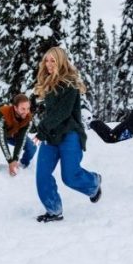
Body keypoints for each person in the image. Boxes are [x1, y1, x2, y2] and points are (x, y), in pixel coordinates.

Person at [32, 47, 101, 223]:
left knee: (70, 176)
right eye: (46, 60)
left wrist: (41, 130)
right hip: (51, 136)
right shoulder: (48, 82)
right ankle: (54, 210)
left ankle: (93, 183)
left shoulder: (70, 84)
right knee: (42, 176)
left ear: (61, 62)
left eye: (53, 61)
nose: (48, 64)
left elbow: (62, 112)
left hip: (70, 134)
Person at [0, 94, 36, 174]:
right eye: (23, 109)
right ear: (15, 108)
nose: (26, 112)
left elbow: (21, 139)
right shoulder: (3, 114)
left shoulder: (28, 118)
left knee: (32, 147)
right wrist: (10, 161)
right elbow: (2, 139)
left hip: (10, 132)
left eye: (28, 108)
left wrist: (15, 159)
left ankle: (21, 166)